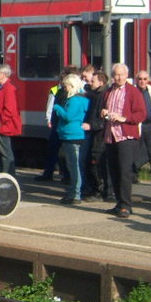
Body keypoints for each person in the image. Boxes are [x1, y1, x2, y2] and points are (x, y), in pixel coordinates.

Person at [100, 63, 147, 218]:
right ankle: (119, 203)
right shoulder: (109, 91)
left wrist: (124, 118)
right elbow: (103, 109)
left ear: (127, 75)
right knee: (113, 171)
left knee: (124, 171)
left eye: (121, 74)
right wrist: (104, 112)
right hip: (110, 136)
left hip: (126, 136)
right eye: (116, 75)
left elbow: (141, 114)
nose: (119, 77)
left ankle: (126, 205)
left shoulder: (133, 92)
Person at [53, 73, 89, 204]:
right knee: (76, 165)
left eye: (66, 86)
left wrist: (57, 108)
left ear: (72, 86)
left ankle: (75, 194)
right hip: (77, 134)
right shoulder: (83, 99)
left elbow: (69, 116)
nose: (65, 88)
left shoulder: (74, 100)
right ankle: (75, 192)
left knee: (73, 166)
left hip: (71, 135)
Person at [80, 69, 109, 200]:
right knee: (91, 162)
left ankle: (99, 191)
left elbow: (103, 119)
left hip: (99, 135)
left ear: (101, 82)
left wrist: (92, 125)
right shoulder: (96, 94)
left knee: (96, 162)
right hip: (95, 133)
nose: (90, 83)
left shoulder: (103, 96)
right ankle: (94, 189)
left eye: (93, 81)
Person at [0, 64, 21, 176]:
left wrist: (1, 122)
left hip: (2, 125)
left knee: (5, 152)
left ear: (3, 74)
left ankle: (8, 175)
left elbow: (10, 109)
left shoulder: (9, 89)